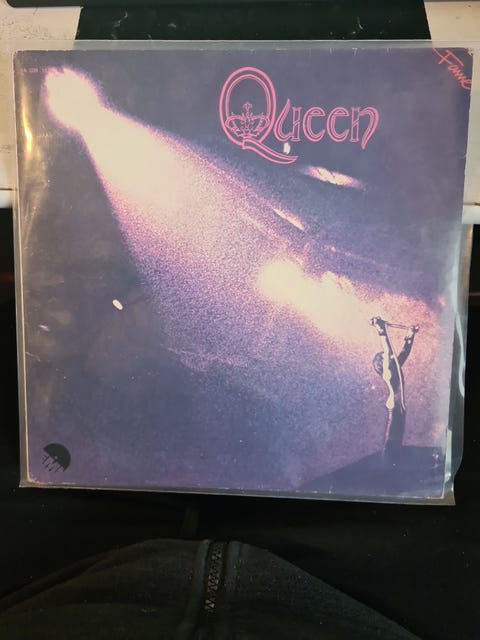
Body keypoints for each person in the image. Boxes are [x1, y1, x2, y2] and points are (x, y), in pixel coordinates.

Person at [370, 317, 419, 459]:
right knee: (390, 448)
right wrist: (381, 330)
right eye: (385, 358)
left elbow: (405, 352)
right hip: (395, 408)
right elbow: (388, 351)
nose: (391, 357)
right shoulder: (388, 374)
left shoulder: (395, 369)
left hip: (398, 408)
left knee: (395, 445)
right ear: (382, 364)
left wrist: (411, 334)